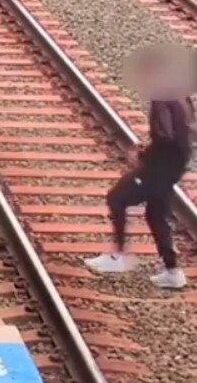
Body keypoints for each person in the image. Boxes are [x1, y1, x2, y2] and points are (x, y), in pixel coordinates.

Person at [85, 49, 195, 289]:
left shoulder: (162, 96)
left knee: (117, 197)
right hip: (174, 165)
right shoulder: (182, 96)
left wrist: (142, 155)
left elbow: (165, 136)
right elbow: (185, 132)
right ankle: (173, 271)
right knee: (155, 214)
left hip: (160, 167)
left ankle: (120, 256)